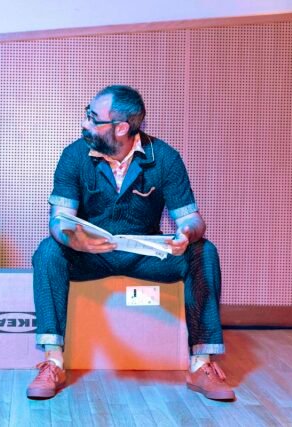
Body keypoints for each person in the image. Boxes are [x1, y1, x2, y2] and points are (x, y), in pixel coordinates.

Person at [27, 85, 235, 401]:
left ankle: (201, 365)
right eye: (87, 115)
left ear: (121, 128)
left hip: (143, 254)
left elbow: (192, 219)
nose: (85, 124)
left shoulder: (164, 157)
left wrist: (185, 234)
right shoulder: (74, 155)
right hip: (91, 253)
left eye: (93, 118)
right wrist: (74, 239)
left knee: (203, 251)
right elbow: (58, 220)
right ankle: (53, 363)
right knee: (48, 251)